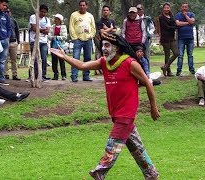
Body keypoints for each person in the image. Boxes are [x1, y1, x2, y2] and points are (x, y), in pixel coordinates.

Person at [50, 32, 160, 180]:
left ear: (118, 48)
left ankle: (99, 172)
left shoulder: (130, 63)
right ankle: (151, 174)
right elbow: (82, 65)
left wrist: (153, 107)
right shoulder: (104, 62)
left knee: (111, 146)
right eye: (102, 45)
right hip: (115, 113)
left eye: (107, 45)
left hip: (126, 114)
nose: (104, 48)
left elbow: (147, 83)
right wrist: (65, 57)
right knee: (136, 148)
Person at [69, 0, 96, 82]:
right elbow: (71, 27)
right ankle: (74, 76)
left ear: (86, 6)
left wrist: (91, 36)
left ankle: (86, 76)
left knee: (87, 58)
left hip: (88, 40)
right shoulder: (74, 15)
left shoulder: (90, 16)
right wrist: (75, 38)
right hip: (78, 40)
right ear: (79, 6)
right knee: (75, 58)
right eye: (80, 5)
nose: (82, 7)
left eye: (84, 5)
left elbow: (93, 28)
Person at [28, 4, 51, 81]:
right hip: (34, 40)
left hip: (44, 41)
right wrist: (42, 30)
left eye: (45, 12)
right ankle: (33, 75)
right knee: (34, 59)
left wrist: (40, 29)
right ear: (39, 10)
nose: (43, 13)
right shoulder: (33, 17)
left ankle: (43, 75)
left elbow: (47, 31)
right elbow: (34, 28)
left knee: (43, 59)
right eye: (42, 11)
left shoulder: (47, 19)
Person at [175, 2, 195, 76]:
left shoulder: (191, 14)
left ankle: (192, 70)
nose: (184, 8)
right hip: (181, 38)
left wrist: (186, 16)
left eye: (185, 7)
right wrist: (188, 22)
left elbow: (192, 21)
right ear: (181, 8)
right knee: (180, 55)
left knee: (190, 55)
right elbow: (178, 24)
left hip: (190, 38)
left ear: (188, 8)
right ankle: (179, 71)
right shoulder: (177, 15)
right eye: (183, 7)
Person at [159, 2, 178, 77]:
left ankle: (165, 67)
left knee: (176, 53)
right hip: (165, 39)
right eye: (165, 8)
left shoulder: (172, 16)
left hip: (172, 38)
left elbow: (174, 25)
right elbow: (166, 27)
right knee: (167, 55)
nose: (166, 9)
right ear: (163, 9)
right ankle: (169, 72)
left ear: (170, 8)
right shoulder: (161, 17)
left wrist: (174, 26)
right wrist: (174, 27)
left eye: (168, 8)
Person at [48, 13, 67, 80]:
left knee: (62, 60)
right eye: (55, 18)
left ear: (59, 20)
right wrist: (53, 37)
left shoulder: (63, 27)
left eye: (56, 19)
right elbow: (49, 36)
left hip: (61, 46)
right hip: (53, 45)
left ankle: (63, 75)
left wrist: (57, 37)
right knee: (54, 61)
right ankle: (55, 75)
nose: (55, 20)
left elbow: (65, 37)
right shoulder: (52, 27)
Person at [4, 7, 21, 81]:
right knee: (5, 60)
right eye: (5, 12)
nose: (7, 13)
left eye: (8, 11)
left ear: (10, 12)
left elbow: (17, 31)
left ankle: (15, 74)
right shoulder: (2, 21)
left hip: (13, 42)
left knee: (14, 60)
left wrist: (18, 40)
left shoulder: (13, 20)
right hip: (5, 42)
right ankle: (6, 74)